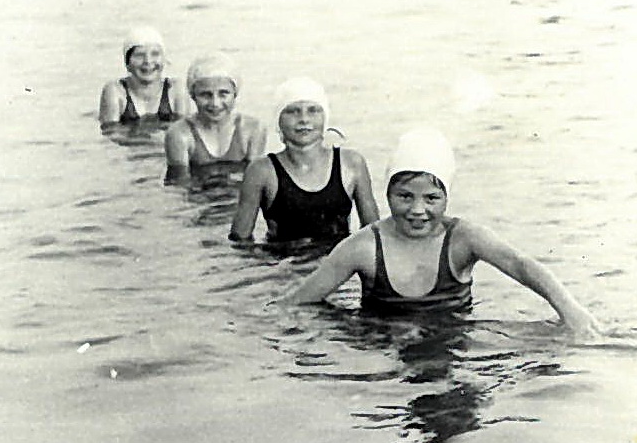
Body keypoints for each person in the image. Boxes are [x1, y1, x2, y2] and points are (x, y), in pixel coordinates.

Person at [284, 128, 599, 337]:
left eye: (431, 198)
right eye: (404, 196)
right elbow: (297, 303)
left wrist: (570, 310)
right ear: (387, 193)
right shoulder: (364, 246)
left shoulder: (462, 238)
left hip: (451, 339)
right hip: (385, 347)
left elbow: (520, 264)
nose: (417, 210)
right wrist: (347, 333)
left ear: (447, 197)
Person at [229, 77, 378, 245]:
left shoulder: (351, 164)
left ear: (326, 117)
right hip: (283, 258)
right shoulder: (262, 171)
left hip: (338, 258)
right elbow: (240, 239)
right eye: (293, 111)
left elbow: (374, 232)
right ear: (278, 120)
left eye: (313, 110)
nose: (304, 119)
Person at [164, 55, 267, 185]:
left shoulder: (252, 130)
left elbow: (256, 183)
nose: (215, 103)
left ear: (235, 94)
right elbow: (179, 185)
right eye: (205, 95)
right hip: (198, 195)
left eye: (223, 94)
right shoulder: (179, 134)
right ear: (193, 96)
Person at [98, 26, 182, 128]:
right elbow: (110, 133)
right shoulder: (116, 92)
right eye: (139, 55)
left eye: (155, 54)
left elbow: (186, 132)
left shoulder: (175, 90)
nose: (148, 61)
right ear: (127, 63)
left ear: (164, 60)